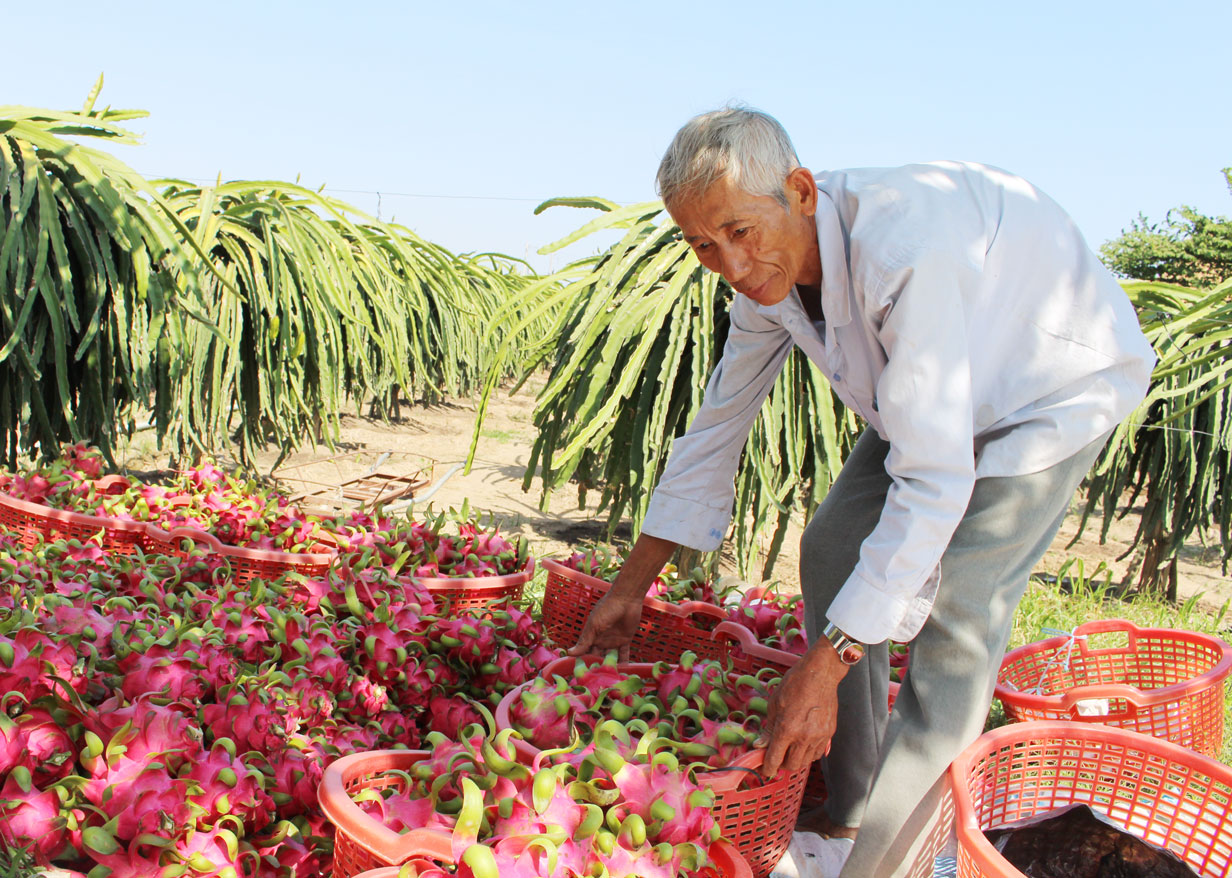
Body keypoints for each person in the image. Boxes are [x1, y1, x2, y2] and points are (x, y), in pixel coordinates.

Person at [566, 106, 1156, 878]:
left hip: (1042, 389)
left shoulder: (906, 247)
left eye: (742, 232)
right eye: (703, 245)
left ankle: (890, 862)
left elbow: (933, 480)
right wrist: (630, 588)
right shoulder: (763, 287)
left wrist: (829, 661)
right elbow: (716, 430)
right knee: (834, 544)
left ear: (801, 191)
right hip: (924, 394)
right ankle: (849, 815)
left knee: (959, 618)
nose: (733, 265)